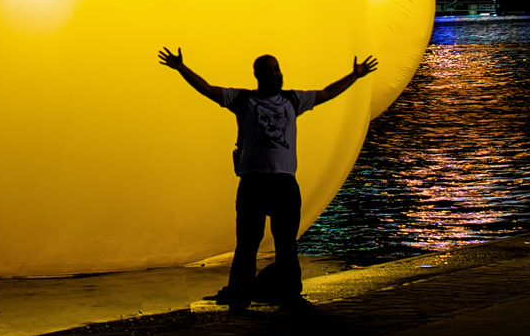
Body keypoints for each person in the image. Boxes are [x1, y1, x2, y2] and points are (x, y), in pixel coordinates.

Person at [157, 48, 378, 312]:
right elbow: (208, 89)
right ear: (258, 75)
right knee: (248, 243)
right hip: (254, 182)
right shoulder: (243, 100)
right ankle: (240, 296)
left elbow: (327, 93)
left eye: (277, 69)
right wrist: (182, 68)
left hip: (284, 182)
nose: (275, 74)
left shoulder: (292, 100)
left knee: (286, 243)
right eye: (269, 70)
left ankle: (289, 294)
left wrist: (354, 76)